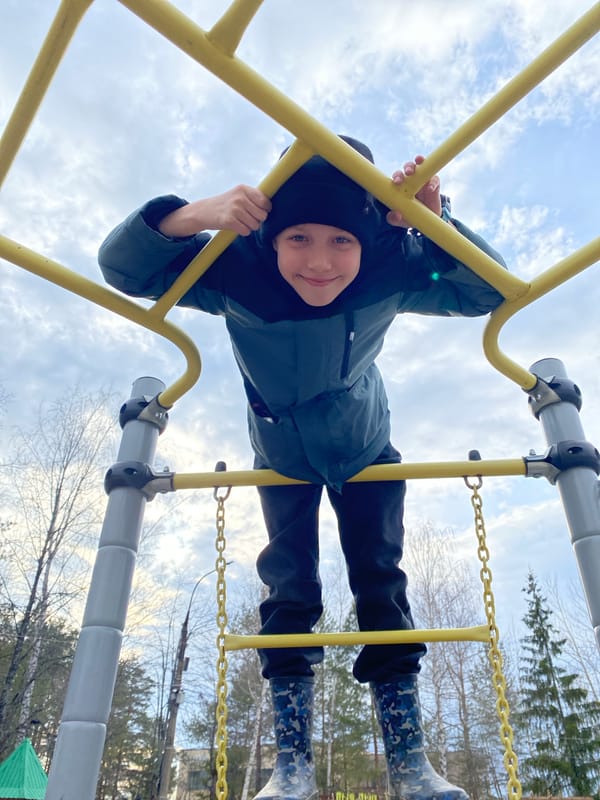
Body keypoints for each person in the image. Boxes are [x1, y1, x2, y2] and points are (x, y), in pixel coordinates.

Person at [99, 136, 506, 800]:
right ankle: (290, 765)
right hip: (282, 457)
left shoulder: (390, 262)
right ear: (271, 234)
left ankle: (408, 764)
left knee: (382, 579)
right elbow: (123, 269)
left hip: (366, 447)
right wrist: (196, 213)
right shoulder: (236, 269)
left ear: (366, 237)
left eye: (341, 241)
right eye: (300, 238)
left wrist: (433, 222)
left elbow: (487, 288)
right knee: (288, 591)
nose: (320, 263)